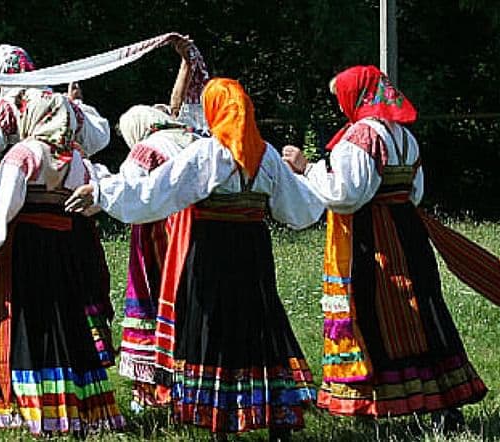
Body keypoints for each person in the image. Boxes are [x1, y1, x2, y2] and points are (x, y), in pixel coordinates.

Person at [66, 78, 320, 439]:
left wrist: (103, 191)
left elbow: (157, 191)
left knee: (213, 328)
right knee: (259, 325)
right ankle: (276, 419)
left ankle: (220, 421)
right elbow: (299, 209)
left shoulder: (209, 153)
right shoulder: (267, 156)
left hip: (211, 253)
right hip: (253, 255)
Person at [282, 65, 500, 428]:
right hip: (408, 232)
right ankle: (442, 401)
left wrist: (306, 170)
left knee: (375, 311)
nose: (339, 107)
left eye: (340, 98)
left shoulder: (359, 137)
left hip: (374, 238)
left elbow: (346, 196)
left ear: (357, 96)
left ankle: (376, 404)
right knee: (421, 308)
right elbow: (417, 191)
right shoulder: (404, 137)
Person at [0, 88, 123, 436]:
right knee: (67, 321)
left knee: (31, 322)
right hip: (65, 250)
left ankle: (37, 411)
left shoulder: (24, 154)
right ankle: (78, 410)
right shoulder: (78, 160)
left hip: (27, 251)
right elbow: (99, 199)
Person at [110, 105, 201, 413]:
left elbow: (128, 188)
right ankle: (193, 386)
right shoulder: (194, 138)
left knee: (155, 300)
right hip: (198, 230)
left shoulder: (146, 149)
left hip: (159, 233)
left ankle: (153, 388)